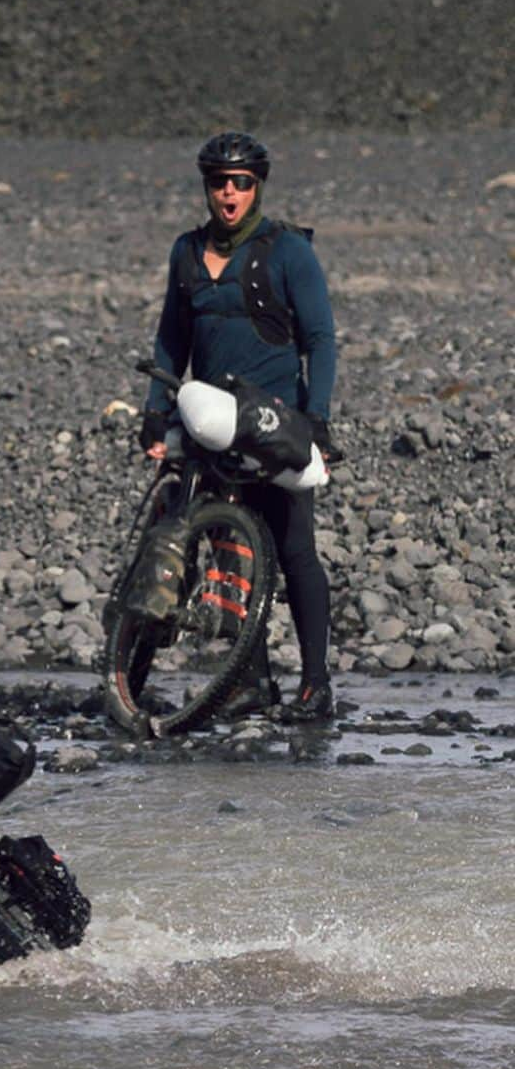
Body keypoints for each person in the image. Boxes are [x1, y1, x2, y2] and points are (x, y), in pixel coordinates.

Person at [138, 132, 339, 721]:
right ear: (206, 186)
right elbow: (171, 337)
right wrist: (156, 409)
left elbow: (321, 339)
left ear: (258, 187)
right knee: (228, 550)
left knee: (295, 550)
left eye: (242, 183)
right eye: (220, 182)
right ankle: (250, 681)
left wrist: (319, 419)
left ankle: (315, 685)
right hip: (208, 420)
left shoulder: (288, 252)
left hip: (275, 424)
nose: (229, 193)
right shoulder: (186, 251)